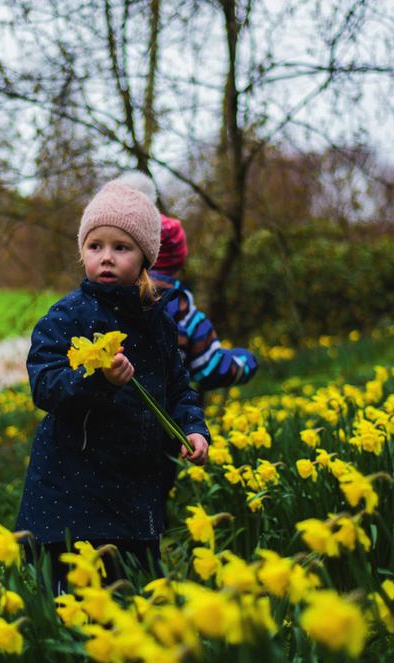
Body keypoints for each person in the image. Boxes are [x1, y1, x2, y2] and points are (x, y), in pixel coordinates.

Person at [15, 178, 210, 594]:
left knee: (134, 598)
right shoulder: (66, 316)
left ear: (144, 257)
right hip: (70, 492)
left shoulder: (157, 322)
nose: (106, 257)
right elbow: (45, 386)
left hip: (136, 492)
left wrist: (192, 428)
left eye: (121, 248)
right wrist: (97, 381)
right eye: (95, 246)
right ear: (83, 251)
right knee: (72, 603)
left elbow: (179, 389)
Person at [116, 171, 258, 393]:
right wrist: (246, 362)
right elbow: (211, 368)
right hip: (163, 418)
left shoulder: (98, 298)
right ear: (176, 263)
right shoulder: (178, 306)